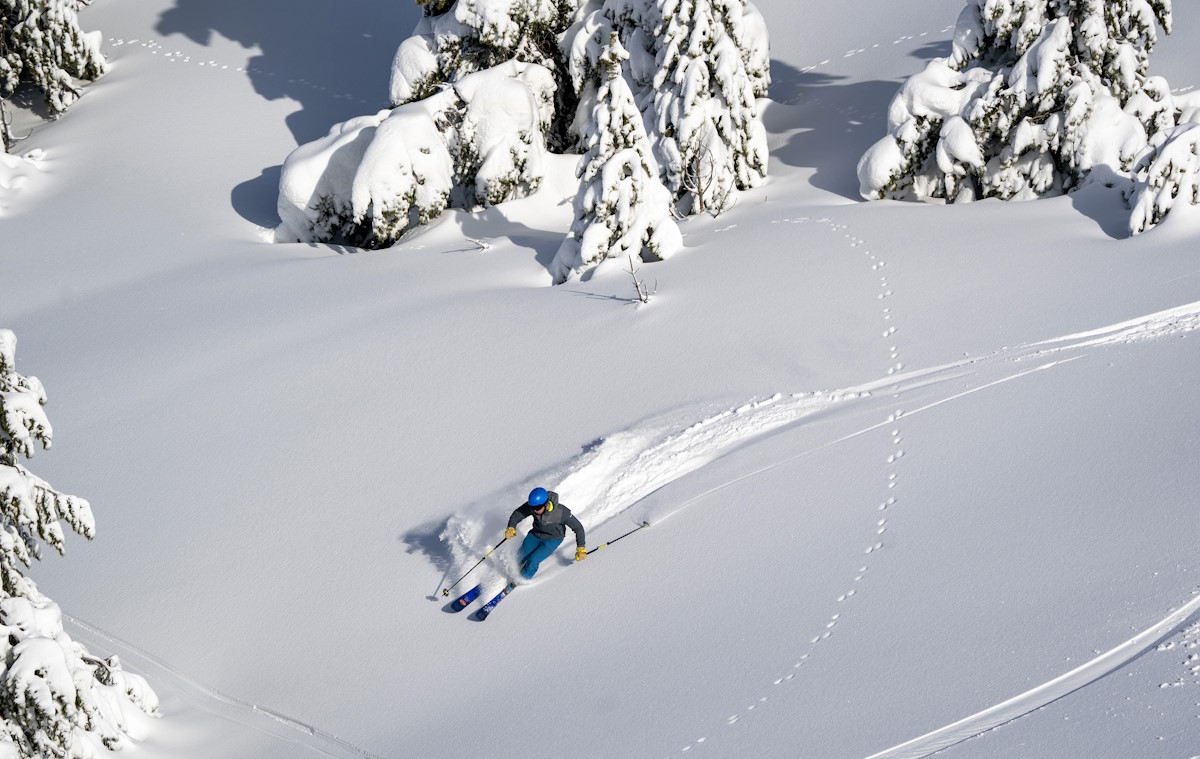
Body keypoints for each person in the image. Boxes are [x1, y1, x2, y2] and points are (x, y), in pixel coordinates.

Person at [504, 487, 586, 580]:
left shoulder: (562, 512)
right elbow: (518, 514)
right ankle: (510, 574)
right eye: (533, 508)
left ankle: (520, 580)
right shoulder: (534, 506)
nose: (535, 510)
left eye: (537, 508)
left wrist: (581, 548)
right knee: (520, 556)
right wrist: (511, 526)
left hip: (553, 539)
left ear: (546, 503)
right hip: (535, 534)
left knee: (533, 560)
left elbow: (578, 527)